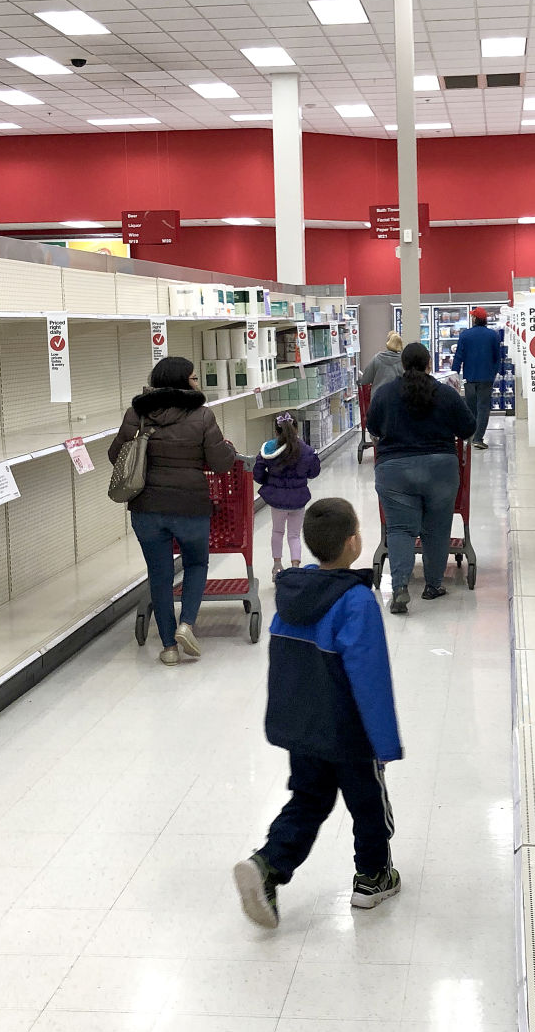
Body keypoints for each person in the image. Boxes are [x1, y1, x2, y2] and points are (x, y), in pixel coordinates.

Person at [233, 498, 402, 928]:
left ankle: (268, 865)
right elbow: (371, 679)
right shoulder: (356, 601)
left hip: (303, 727)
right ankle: (372, 876)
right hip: (347, 732)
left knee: (309, 799)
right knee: (367, 803)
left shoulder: (293, 593)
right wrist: (383, 742)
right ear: (353, 543)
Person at [107, 355, 238, 667]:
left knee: (160, 575)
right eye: (193, 378)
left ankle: (168, 647)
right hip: (190, 506)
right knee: (195, 564)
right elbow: (221, 463)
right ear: (181, 381)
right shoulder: (202, 416)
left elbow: (116, 455)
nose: (197, 383)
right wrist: (228, 450)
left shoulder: (135, 413)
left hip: (146, 508)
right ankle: (186, 625)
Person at [365, 342, 476, 615]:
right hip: (440, 469)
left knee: (400, 529)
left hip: (395, 470)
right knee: (436, 529)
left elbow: (373, 427)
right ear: (429, 364)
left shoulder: (385, 393)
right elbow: (469, 427)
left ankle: (400, 587)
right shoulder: (447, 394)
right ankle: (433, 585)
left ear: (402, 365)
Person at [254, 412, 322, 580]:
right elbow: (314, 472)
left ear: (276, 431)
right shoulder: (306, 450)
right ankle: (296, 568)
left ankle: (277, 566)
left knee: (277, 532)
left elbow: (258, 472)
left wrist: (267, 481)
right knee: (294, 535)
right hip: (298, 499)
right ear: (296, 428)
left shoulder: (269, 448)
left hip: (277, 500)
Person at [450, 306, 505, 450]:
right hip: (486, 378)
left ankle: (470, 435)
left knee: (470, 408)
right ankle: (478, 438)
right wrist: (493, 373)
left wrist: (453, 374)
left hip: (469, 377)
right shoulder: (493, 335)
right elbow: (497, 358)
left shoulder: (465, 335)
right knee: (483, 408)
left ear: (475, 319)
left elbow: (458, 357)